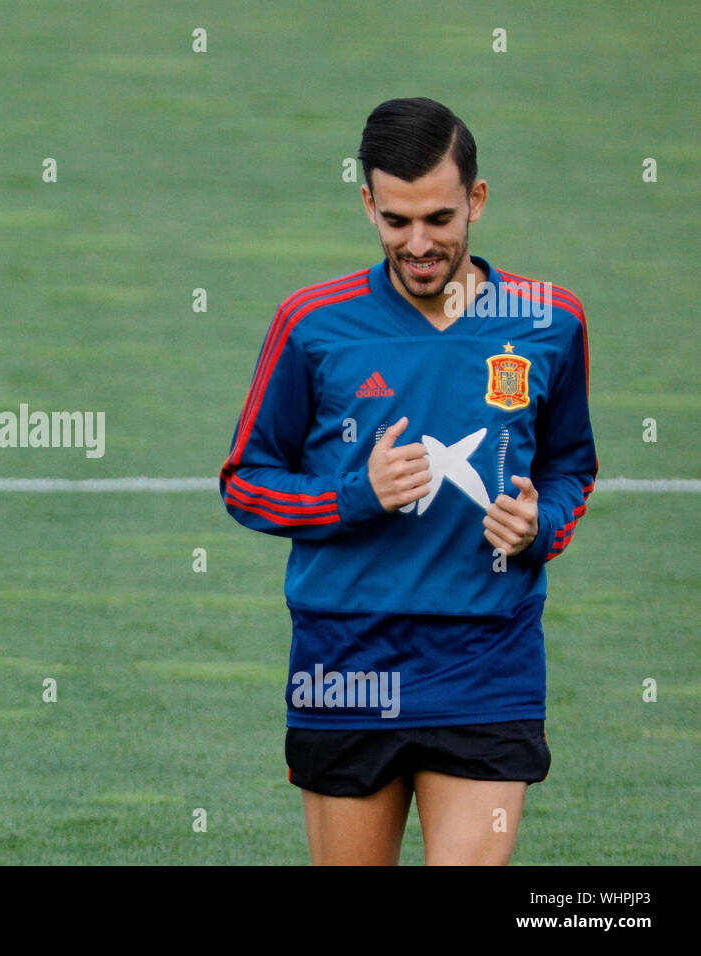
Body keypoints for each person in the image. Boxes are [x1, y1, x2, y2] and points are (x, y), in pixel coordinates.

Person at [220, 97, 595, 865]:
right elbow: (246, 481)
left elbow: (570, 465)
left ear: (477, 201)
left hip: (487, 657)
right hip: (344, 659)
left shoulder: (550, 321)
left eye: (439, 219)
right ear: (368, 205)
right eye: (396, 221)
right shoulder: (313, 322)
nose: (419, 244)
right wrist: (356, 494)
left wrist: (540, 527)